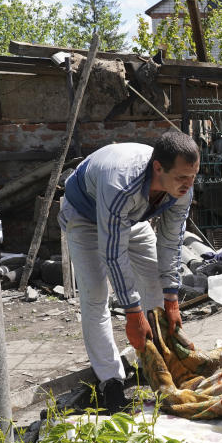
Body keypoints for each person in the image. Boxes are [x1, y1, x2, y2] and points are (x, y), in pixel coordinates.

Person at [59, 131, 200, 413]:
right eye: (182, 177)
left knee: (156, 286)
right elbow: (113, 253)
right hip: (86, 215)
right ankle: (110, 381)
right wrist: (133, 315)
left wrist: (171, 298)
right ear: (158, 168)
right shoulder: (121, 185)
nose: (189, 184)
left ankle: (158, 365)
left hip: (133, 216)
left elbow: (171, 241)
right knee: (96, 294)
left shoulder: (183, 187)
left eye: (193, 176)